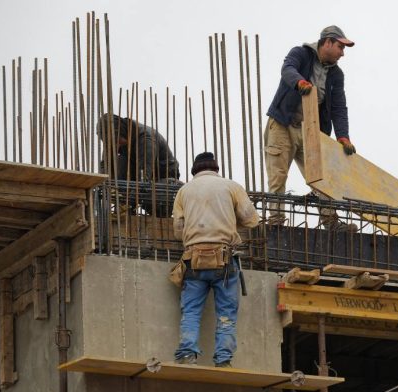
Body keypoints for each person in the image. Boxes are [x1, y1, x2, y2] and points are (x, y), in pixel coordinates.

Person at [265, 25, 357, 231]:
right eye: (340, 47)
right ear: (327, 42)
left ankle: (331, 223)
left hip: (310, 130)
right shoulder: (301, 53)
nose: (343, 53)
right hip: (283, 125)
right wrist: (300, 83)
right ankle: (276, 224)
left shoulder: (336, 75)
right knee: (278, 176)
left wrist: (343, 136)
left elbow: (338, 107)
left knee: (321, 177)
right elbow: (287, 69)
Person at [172, 152, 259, 367]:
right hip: (224, 260)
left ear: (195, 171)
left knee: (191, 311)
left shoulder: (183, 191)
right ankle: (223, 360)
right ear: (216, 168)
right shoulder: (231, 187)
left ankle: (187, 355)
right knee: (226, 313)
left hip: (194, 259)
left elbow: (178, 230)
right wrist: (229, 219)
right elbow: (251, 220)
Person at [97, 113, 180, 216]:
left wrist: (126, 204)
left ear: (121, 132)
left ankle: (128, 205)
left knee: (150, 195)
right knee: (120, 161)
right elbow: (105, 165)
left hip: (161, 177)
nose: (116, 145)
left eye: (117, 141)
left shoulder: (146, 138)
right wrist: (108, 187)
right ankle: (126, 204)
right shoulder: (113, 138)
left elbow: (143, 178)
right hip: (136, 172)